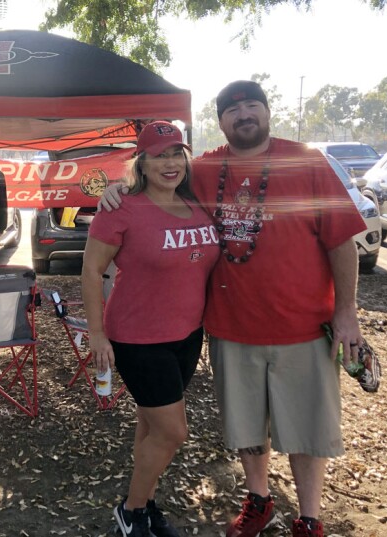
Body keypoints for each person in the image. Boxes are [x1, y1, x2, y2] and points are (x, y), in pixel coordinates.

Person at [99, 81, 367, 537]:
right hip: (230, 328)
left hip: (301, 325)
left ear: (266, 111)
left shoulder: (306, 162)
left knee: (306, 430)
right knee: (246, 429)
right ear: (221, 120)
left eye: (252, 105)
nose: (244, 114)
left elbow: (342, 240)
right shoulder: (202, 169)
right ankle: (259, 500)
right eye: (233, 109)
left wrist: (347, 313)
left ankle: (309, 518)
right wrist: (114, 188)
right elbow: (152, 178)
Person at [83, 122, 220, 537]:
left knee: (151, 424)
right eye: (159, 154)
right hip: (137, 337)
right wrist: (96, 332)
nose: (170, 163)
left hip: (187, 335)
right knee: (174, 431)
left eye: (176, 153)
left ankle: (146, 504)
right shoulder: (121, 207)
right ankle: (131, 509)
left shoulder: (196, 204)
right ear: (141, 162)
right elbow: (91, 270)